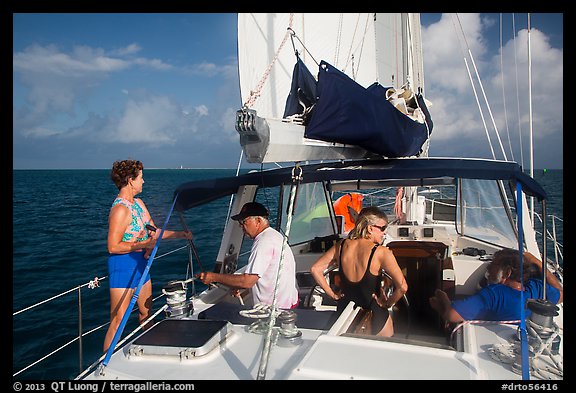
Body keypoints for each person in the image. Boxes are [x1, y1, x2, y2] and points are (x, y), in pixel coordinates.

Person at [104, 159, 192, 353]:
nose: (143, 181)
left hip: (141, 264)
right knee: (118, 320)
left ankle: (155, 346)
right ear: (129, 180)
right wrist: (144, 244)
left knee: (146, 311)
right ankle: (104, 364)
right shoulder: (120, 209)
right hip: (124, 265)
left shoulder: (139, 204)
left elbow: (153, 231)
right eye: (141, 177)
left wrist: (179, 235)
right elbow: (113, 246)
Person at [310, 206, 408, 337]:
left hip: (345, 316)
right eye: (382, 228)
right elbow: (402, 287)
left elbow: (315, 269)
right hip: (375, 317)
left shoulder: (341, 245)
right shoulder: (382, 252)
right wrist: (387, 303)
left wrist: (332, 295)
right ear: (370, 228)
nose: (384, 233)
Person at [196, 201, 299, 310]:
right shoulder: (274, 235)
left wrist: (213, 277)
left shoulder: (264, 242)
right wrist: (237, 285)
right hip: (289, 304)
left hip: (276, 311)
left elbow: (247, 281)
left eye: (244, 222)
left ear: (258, 221)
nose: (241, 227)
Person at [429, 248, 563, 323]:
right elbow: (560, 293)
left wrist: (444, 299)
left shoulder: (494, 294)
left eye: (493, 265)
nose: (489, 268)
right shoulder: (538, 288)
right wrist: (537, 262)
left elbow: (452, 315)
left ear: (507, 272)